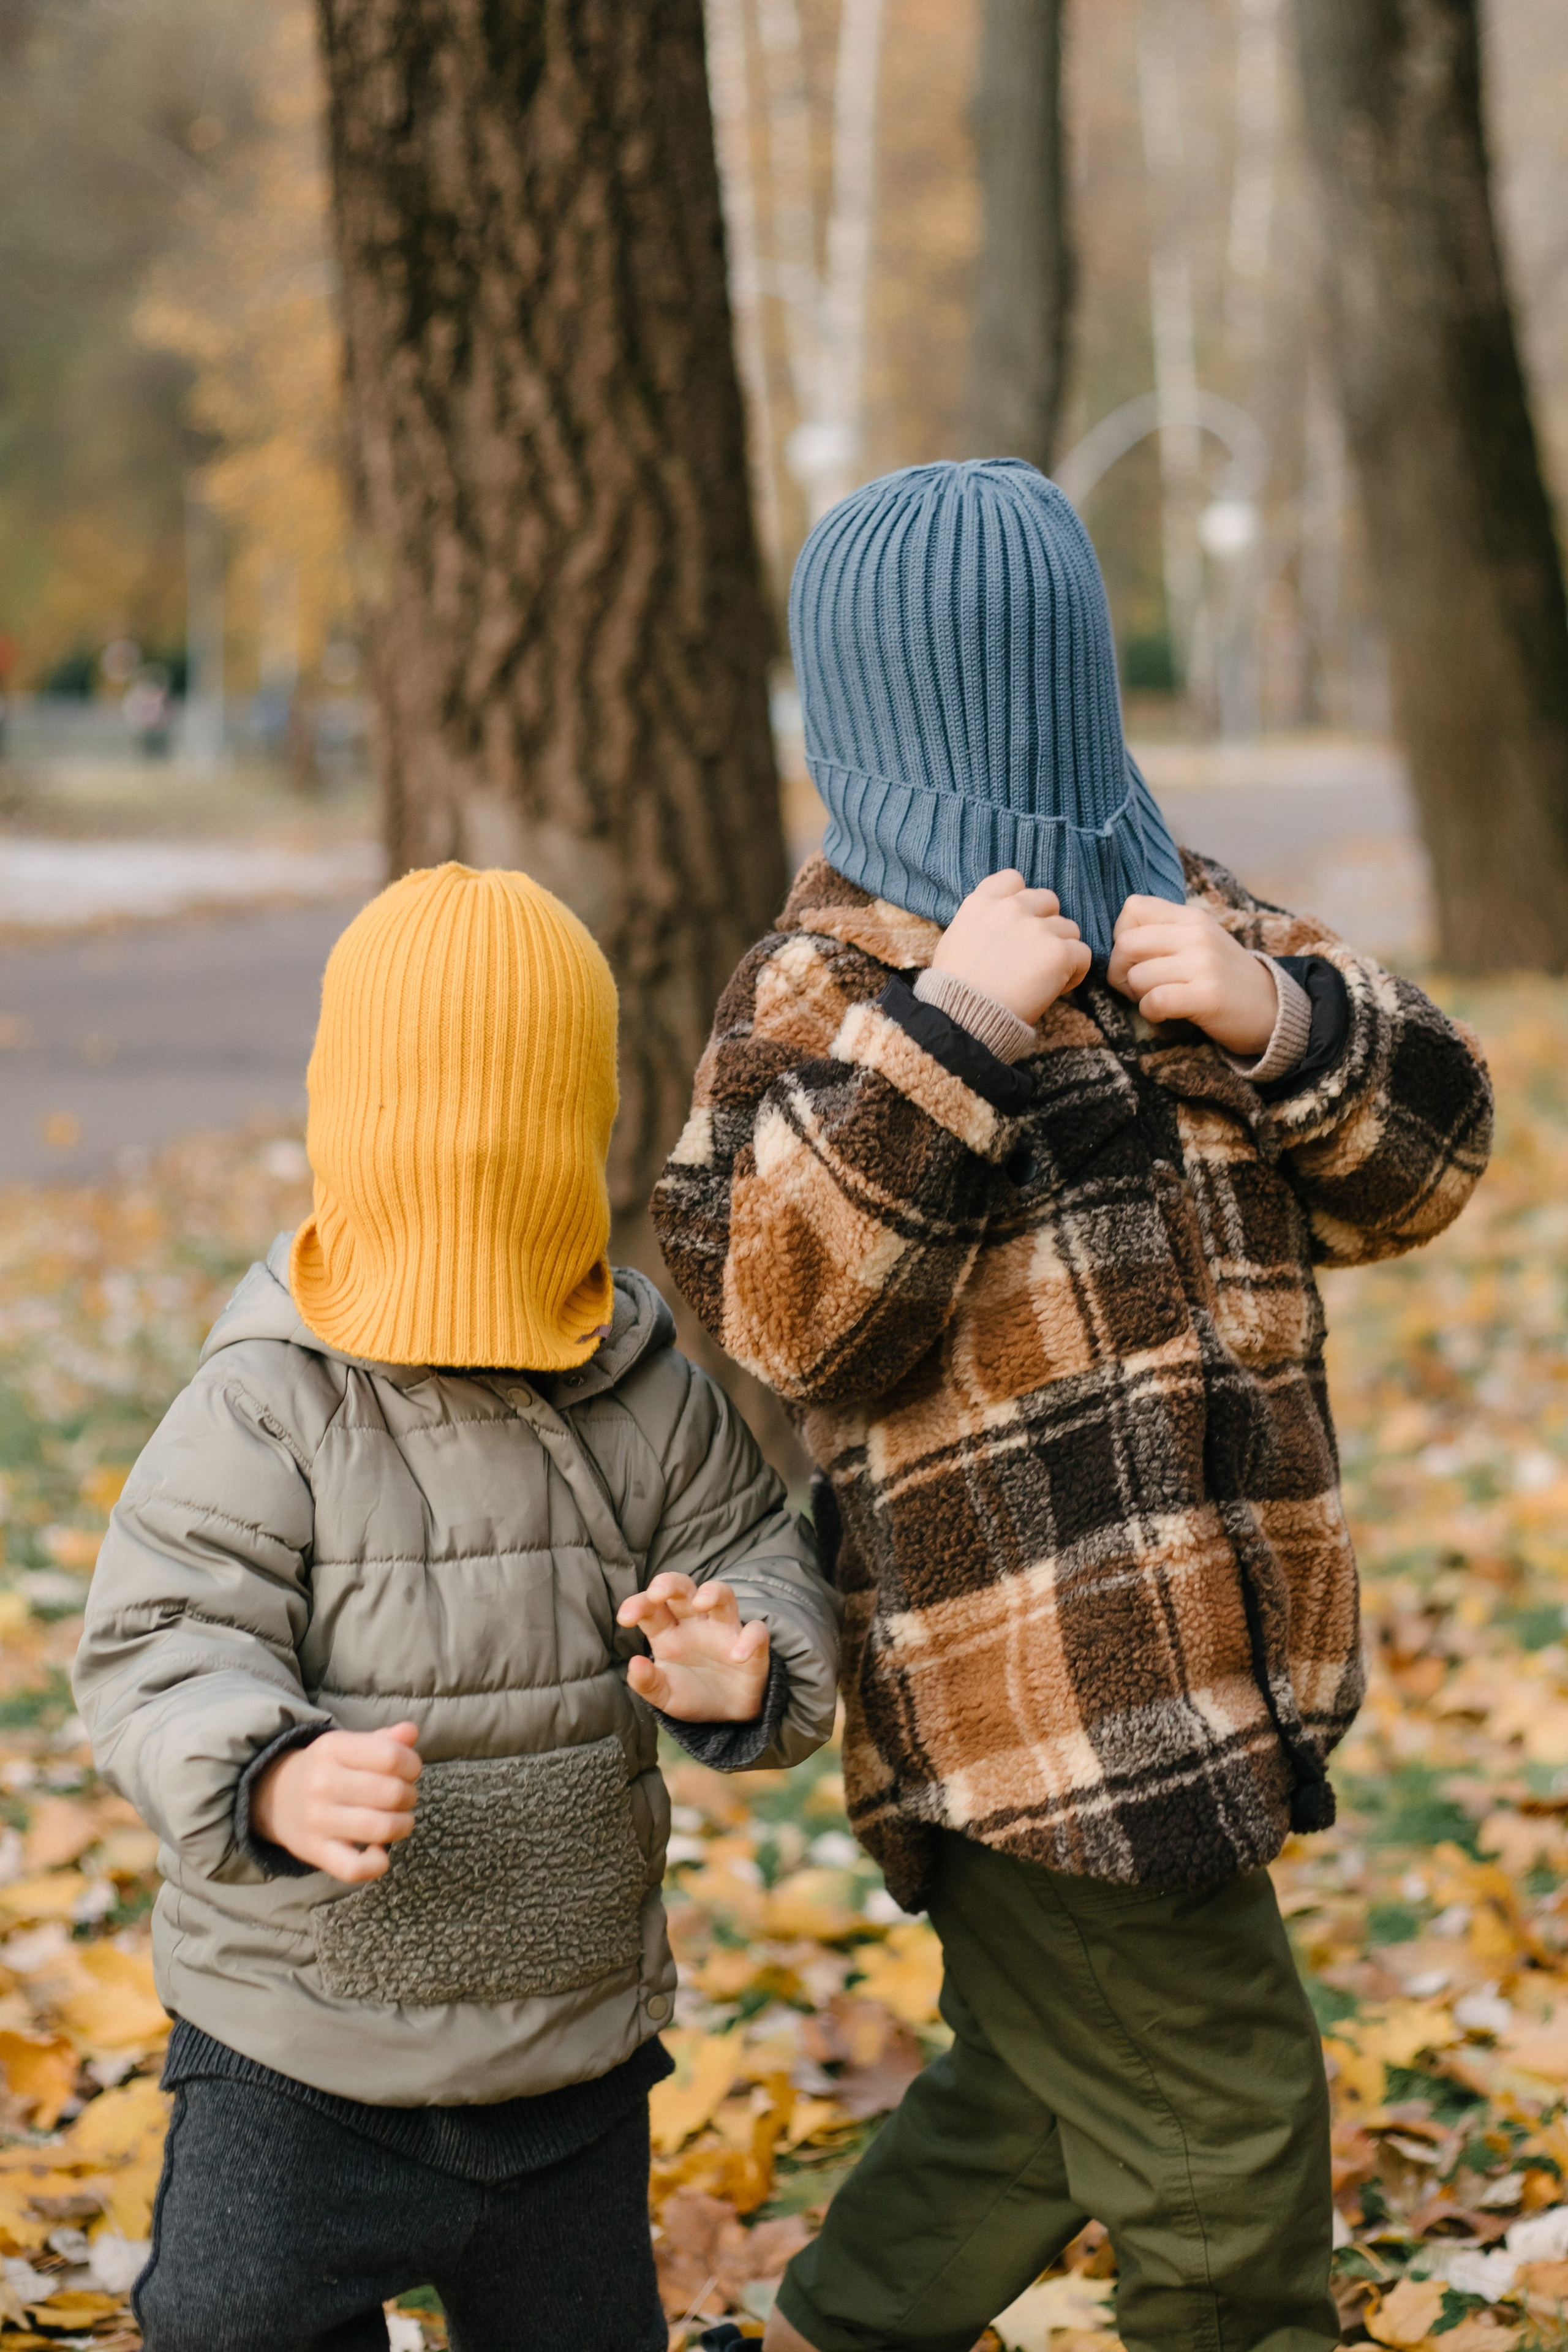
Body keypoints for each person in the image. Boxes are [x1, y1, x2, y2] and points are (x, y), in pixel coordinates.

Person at [650, 459, 1494, 2352]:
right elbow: (785, 1319)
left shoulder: (1188, 918)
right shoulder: (826, 984)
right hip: (1033, 1721)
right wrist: (951, 1036)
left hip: (1229, 1674)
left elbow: (1432, 1164)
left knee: (1047, 2104)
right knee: (1226, 2147)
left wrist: (1283, 1020)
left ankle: (829, 2330)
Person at [74, 862, 840, 2352]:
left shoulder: (644, 1397)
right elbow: (161, 1643)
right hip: (294, 2043)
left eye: (515, 1146)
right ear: (352, 1133)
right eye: (431, 1147)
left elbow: (759, 1551)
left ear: (579, 1142)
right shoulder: (266, 1403)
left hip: (565, 2045)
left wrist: (742, 1656)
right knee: (229, 2322)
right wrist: (269, 1770)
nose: (473, 1176)